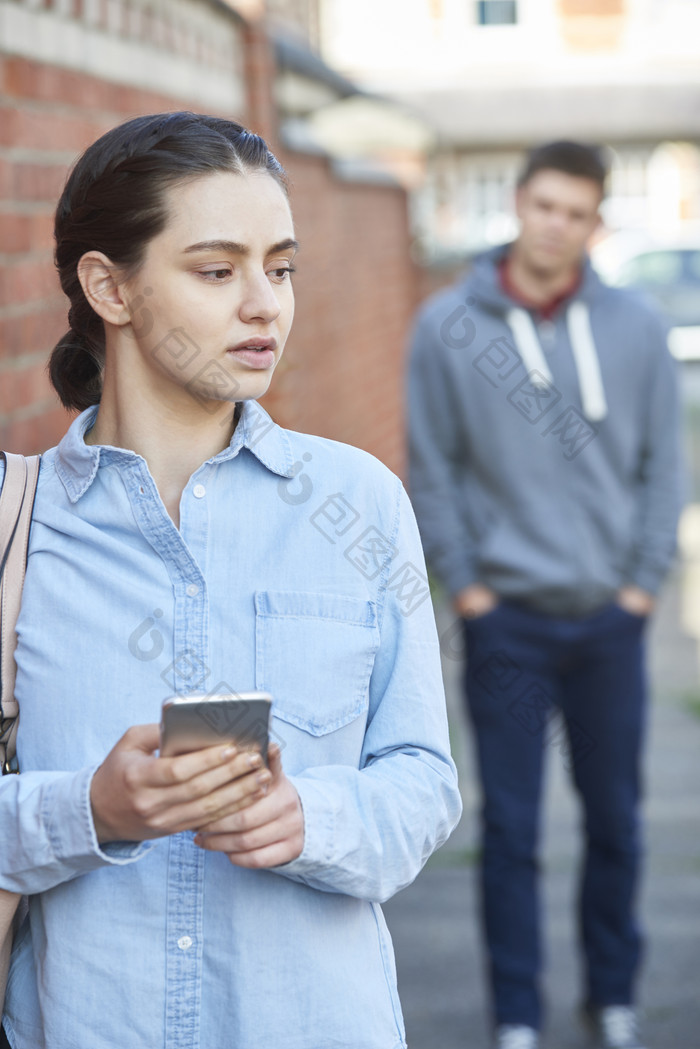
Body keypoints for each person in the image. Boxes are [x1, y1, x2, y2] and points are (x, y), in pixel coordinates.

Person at [0, 111, 462, 1049]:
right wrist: (88, 809)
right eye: (218, 271)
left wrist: (311, 817)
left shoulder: (359, 502)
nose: (266, 305)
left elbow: (422, 782)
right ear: (109, 287)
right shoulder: (17, 524)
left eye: (280, 267)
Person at [407, 141, 683, 1049]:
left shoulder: (637, 328)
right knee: (511, 831)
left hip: (609, 621)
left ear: (594, 222)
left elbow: (661, 467)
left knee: (615, 821)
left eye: (575, 211)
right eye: (543, 205)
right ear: (518, 206)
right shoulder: (448, 326)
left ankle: (614, 995)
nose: (556, 224)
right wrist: (472, 590)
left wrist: (643, 587)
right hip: (508, 623)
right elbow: (432, 468)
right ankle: (516, 1014)